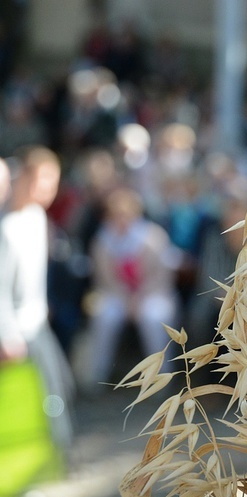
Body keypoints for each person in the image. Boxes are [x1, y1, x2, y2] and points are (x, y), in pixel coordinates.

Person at [0, 145, 74, 466]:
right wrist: (6, 334)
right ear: (24, 178)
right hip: (15, 332)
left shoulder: (38, 219)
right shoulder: (7, 227)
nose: (47, 189)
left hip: (37, 325)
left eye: (53, 181)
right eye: (42, 179)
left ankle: (55, 460)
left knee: (58, 391)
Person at [83, 186, 179, 391]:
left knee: (153, 318)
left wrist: (139, 298)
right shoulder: (102, 241)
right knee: (104, 316)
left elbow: (162, 276)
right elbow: (103, 279)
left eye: (125, 214)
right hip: (116, 295)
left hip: (153, 293)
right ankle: (97, 376)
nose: (121, 220)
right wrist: (127, 300)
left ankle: (161, 379)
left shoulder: (153, 236)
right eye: (116, 215)